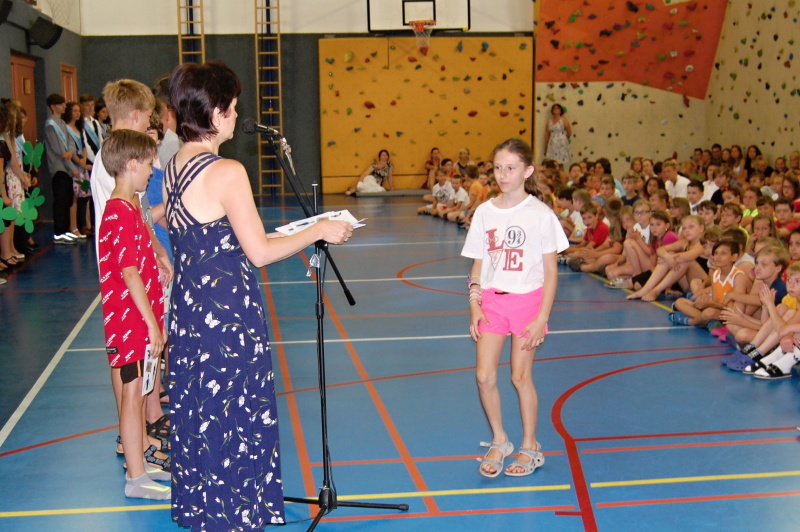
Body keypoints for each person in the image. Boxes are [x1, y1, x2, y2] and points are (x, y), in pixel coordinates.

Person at [165, 60, 352, 530]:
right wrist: (319, 231)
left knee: (202, 412)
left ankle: (209, 508)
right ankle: (235, 513)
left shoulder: (174, 165)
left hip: (191, 312)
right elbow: (260, 252)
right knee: (232, 412)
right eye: (231, 108)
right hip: (227, 316)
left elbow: (216, 237)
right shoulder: (227, 171)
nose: (235, 115)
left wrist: (299, 231)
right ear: (215, 114)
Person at [462, 138, 568, 478]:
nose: (503, 175)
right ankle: (500, 440)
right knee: (484, 376)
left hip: (527, 303)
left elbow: (551, 272)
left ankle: (530, 446)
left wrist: (542, 318)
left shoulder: (541, 215)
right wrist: (475, 304)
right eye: (498, 168)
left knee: (520, 376)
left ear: (527, 171)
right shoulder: (484, 212)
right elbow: (478, 264)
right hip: (492, 301)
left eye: (511, 168)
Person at [97, 129, 170, 500]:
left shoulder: (129, 208)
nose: (152, 172)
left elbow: (141, 260)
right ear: (130, 164)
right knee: (132, 396)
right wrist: (152, 325)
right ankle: (136, 478)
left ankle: (138, 462)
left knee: (139, 394)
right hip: (131, 323)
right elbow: (129, 274)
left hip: (140, 320)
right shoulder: (118, 212)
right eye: (147, 165)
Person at [44, 94, 80, 245]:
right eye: (60, 104)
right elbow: (59, 150)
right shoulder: (50, 124)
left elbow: (70, 143)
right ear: (53, 107)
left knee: (67, 200)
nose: (64, 106)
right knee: (60, 200)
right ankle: (59, 232)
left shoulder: (62, 123)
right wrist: (71, 166)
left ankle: (65, 230)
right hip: (59, 168)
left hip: (66, 168)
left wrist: (71, 152)